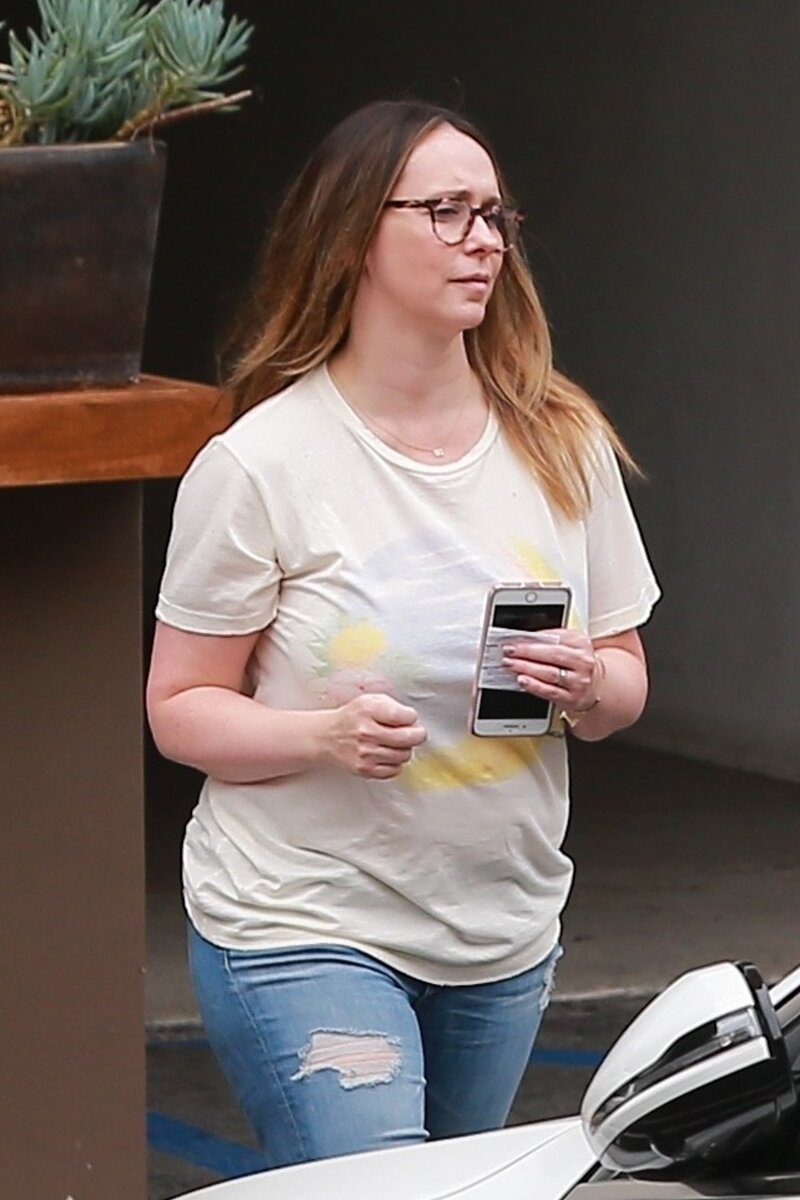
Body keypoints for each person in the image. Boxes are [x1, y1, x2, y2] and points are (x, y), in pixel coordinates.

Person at [146, 98, 660, 1170]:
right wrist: (320, 736)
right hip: (303, 921)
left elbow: (623, 684)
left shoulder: (562, 442)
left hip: (500, 929)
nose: (484, 240)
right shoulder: (261, 464)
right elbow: (179, 708)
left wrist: (586, 684)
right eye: (446, 211)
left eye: (495, 215)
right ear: (352, 238)